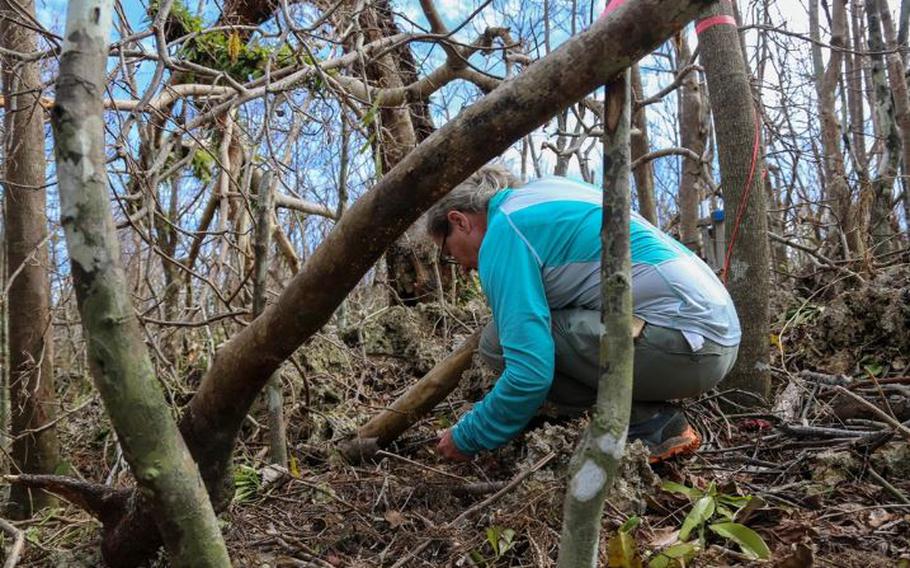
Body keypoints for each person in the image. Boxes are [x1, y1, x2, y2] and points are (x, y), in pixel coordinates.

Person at [426, 165, 741, 463]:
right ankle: (640, 411)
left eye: (450, 253)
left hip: (685, 349)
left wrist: (469, 436)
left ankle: (646, 422)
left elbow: (529, 373)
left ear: (460, 221)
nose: (464, 268)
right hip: (716, 342)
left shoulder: (504, 233)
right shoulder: (546, 191)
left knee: (497, 343)